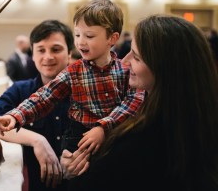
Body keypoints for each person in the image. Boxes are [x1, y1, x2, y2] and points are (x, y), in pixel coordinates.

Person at [61, 15, 218, 191]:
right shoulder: (200, 120)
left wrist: (75, 173)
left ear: (164, 68)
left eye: (136, 57)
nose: (125, 61)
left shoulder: (143, 140)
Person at [0, 0, 145, 170]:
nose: (81, 42)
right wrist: (15, 116)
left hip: (114, 135)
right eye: (78, 35)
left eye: (89, 36)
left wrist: (104, 127)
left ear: (112, 38)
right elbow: (44, 97)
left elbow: (134, 101)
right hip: (79, 137)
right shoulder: (73, 72)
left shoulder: (125, 70)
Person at [0, 20, 74, 191]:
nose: (48, 57)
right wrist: (37, 140)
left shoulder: (84, 91)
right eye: (41, 50)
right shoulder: (21, 89)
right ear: (32, 55)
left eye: (56, 49)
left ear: (70, 53)